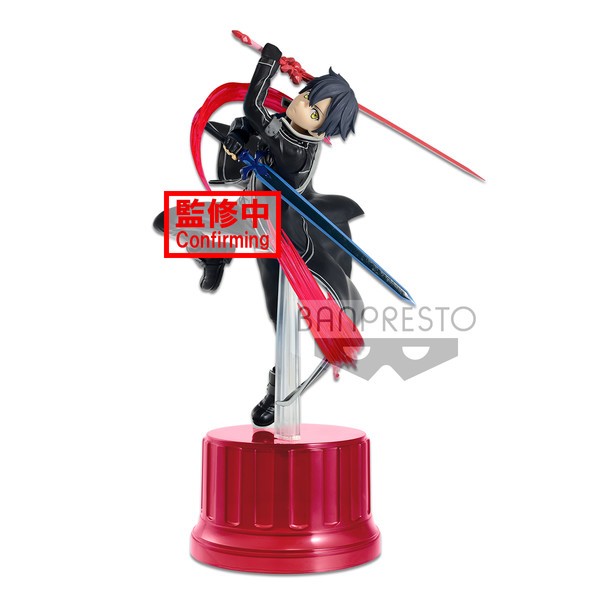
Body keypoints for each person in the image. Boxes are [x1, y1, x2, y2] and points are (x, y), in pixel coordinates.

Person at [155, 43, 365, 426]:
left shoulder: (295, 149)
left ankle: (279, 386)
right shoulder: (288, 128)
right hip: (249, 215)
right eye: (306, 96)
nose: (301, 105)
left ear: (321, 128)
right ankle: (214, 253)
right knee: (168, 221)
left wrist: (268, 61)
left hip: (281, 238)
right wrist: (238, 142)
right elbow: (254, 127)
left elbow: (254, 107)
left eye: (313, 111)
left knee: (280, 316)